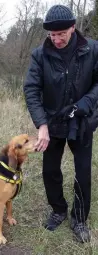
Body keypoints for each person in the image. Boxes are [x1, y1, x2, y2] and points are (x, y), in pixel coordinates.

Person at [24, 4, 98, 243]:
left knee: (82, 173)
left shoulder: (92, 49)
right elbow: (31, 89)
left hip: (82, 121)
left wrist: (86, 103)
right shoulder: (39, 54)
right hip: (52, 122)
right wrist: (41, 124)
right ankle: (58, 210)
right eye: (51, 35)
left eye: (61, 34)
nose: (56, 39)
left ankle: (79, 219)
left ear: (73, 28)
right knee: (50, 171)